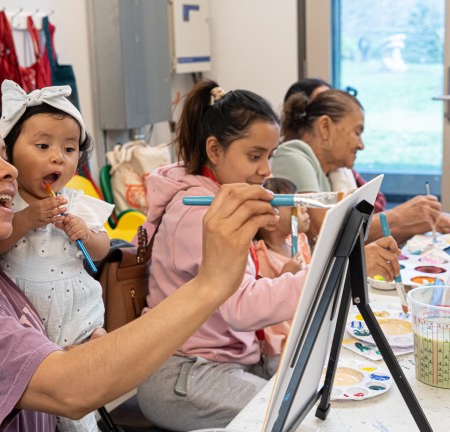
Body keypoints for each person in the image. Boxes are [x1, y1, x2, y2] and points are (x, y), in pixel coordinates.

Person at [0, 100, 282, 431]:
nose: (11, 170)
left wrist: (90, 348)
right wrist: (210, 284)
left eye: (4, 153)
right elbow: (69, 389)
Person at [135, 80, 398, 431]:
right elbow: (242, 308)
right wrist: (330, 272)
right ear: (214, 150)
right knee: (297, 419)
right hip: (183, 374)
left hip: (234, 360)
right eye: (254, 156)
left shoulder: (223, 199)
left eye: (270, 156)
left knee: (331, 394)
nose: (266, 171)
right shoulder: (197, 213)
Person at [0, 80, 113, 432]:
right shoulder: (5, 202)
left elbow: (101, 251)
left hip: (76, 317)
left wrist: (86, 233)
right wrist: (26, 220)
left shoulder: (77, 200)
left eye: (69, 150)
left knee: (79, 400)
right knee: (42, 404)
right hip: (25, 319)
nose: (58, 157)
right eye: (43, 145)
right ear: (7, 153)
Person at [281, 78, 450, 244]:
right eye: (357, 132)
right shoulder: (292, 154)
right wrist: (400, 217)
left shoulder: (332, 172)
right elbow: (324, 233)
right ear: (325, 126)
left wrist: (415, 221)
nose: (361, 145)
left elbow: (355, 236)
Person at [252, 177, 312, 376]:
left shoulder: (300, 242)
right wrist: (287, 274)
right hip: (280, 346)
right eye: (294, 204)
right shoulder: (262, 255)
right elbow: (261, 301)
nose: (304, 208)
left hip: (304, 330)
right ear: (270, 222)